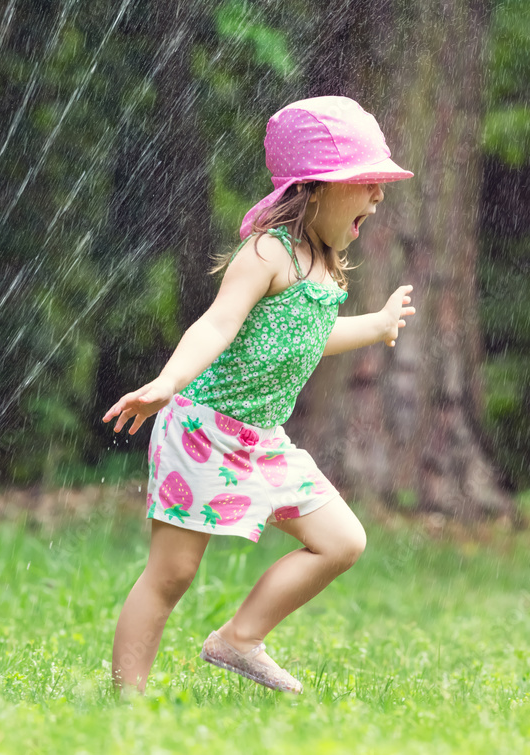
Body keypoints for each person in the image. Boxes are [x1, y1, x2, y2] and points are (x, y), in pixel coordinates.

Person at [102, 96, 416, 695]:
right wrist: (167, 384)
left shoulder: (324, 260)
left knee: (343, 541)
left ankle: (239, 639)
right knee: (172, 574)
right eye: (368, 181)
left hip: (263, 441)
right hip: (204, 431)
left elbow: (306, 338)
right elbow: (217, 325)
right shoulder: (268, 250)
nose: (379, 196)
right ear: (317, 187)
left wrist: (374, 325)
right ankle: (126, 704)